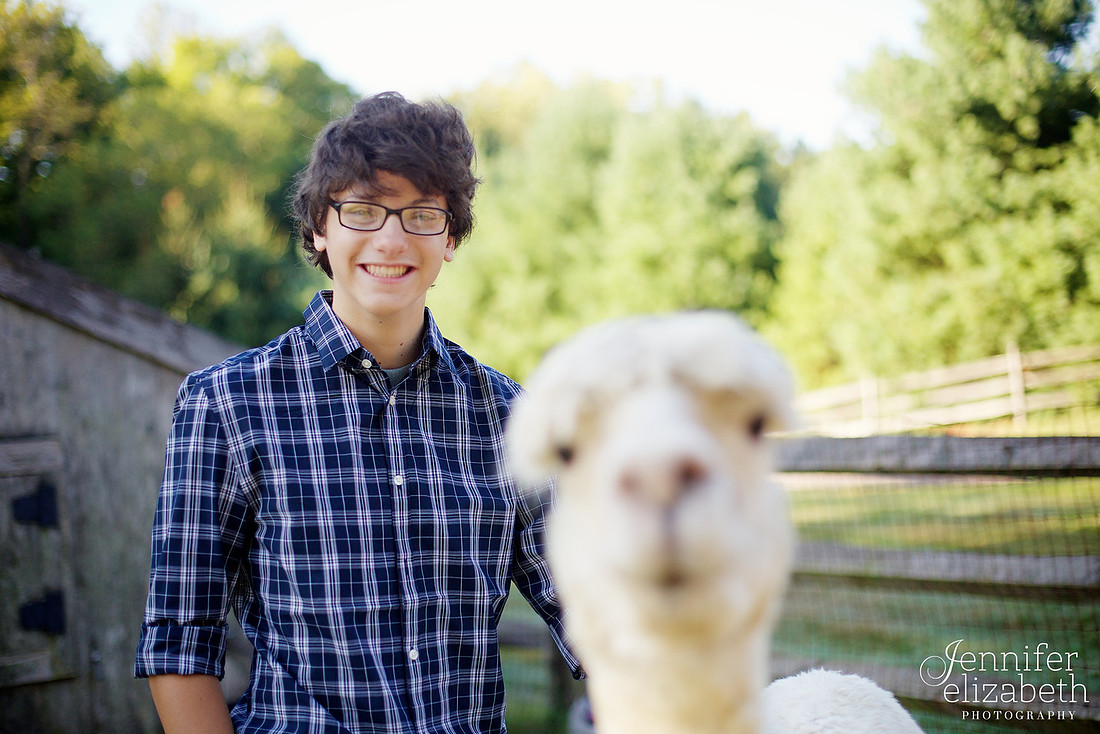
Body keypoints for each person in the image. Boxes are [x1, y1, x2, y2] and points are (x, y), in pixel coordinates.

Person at [134, 91, 582, 733]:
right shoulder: (227, 405)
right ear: (320, 226)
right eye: (363, 210)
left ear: (450, 237)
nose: (391, 238)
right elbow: (180, 639)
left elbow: (593, 610)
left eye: (422, 214)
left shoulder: (510, 416)